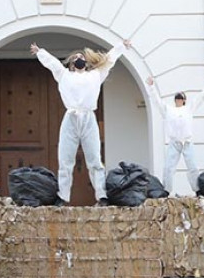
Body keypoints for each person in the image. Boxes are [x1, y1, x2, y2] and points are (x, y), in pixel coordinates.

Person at [30, 40, 132, 204]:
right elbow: (53, 64)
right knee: (65, 159)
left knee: (95, 160)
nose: (79, 58)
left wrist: (121, 47)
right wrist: (40, 52)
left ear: (86, 62)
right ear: (71, 63)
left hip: (89, 118)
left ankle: (101, 195)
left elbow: (109, 60)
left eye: (82, 56)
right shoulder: (64, 75)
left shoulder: (95, 75)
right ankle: (63, 196)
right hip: (70, 118)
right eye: (76, 57)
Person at [145, 75, 204, 195]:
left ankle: (197, 190)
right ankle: (166, 190)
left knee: (193, 167)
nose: (178, 100)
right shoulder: (168, 110)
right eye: (177, 98)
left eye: (180, 98)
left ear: (184, 100)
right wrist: (151, 87)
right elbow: (156, 101)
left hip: (187, 142)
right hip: (174, 143)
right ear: (175, 100)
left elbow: (201, 98)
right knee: (168, 168)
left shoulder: (189, 109)